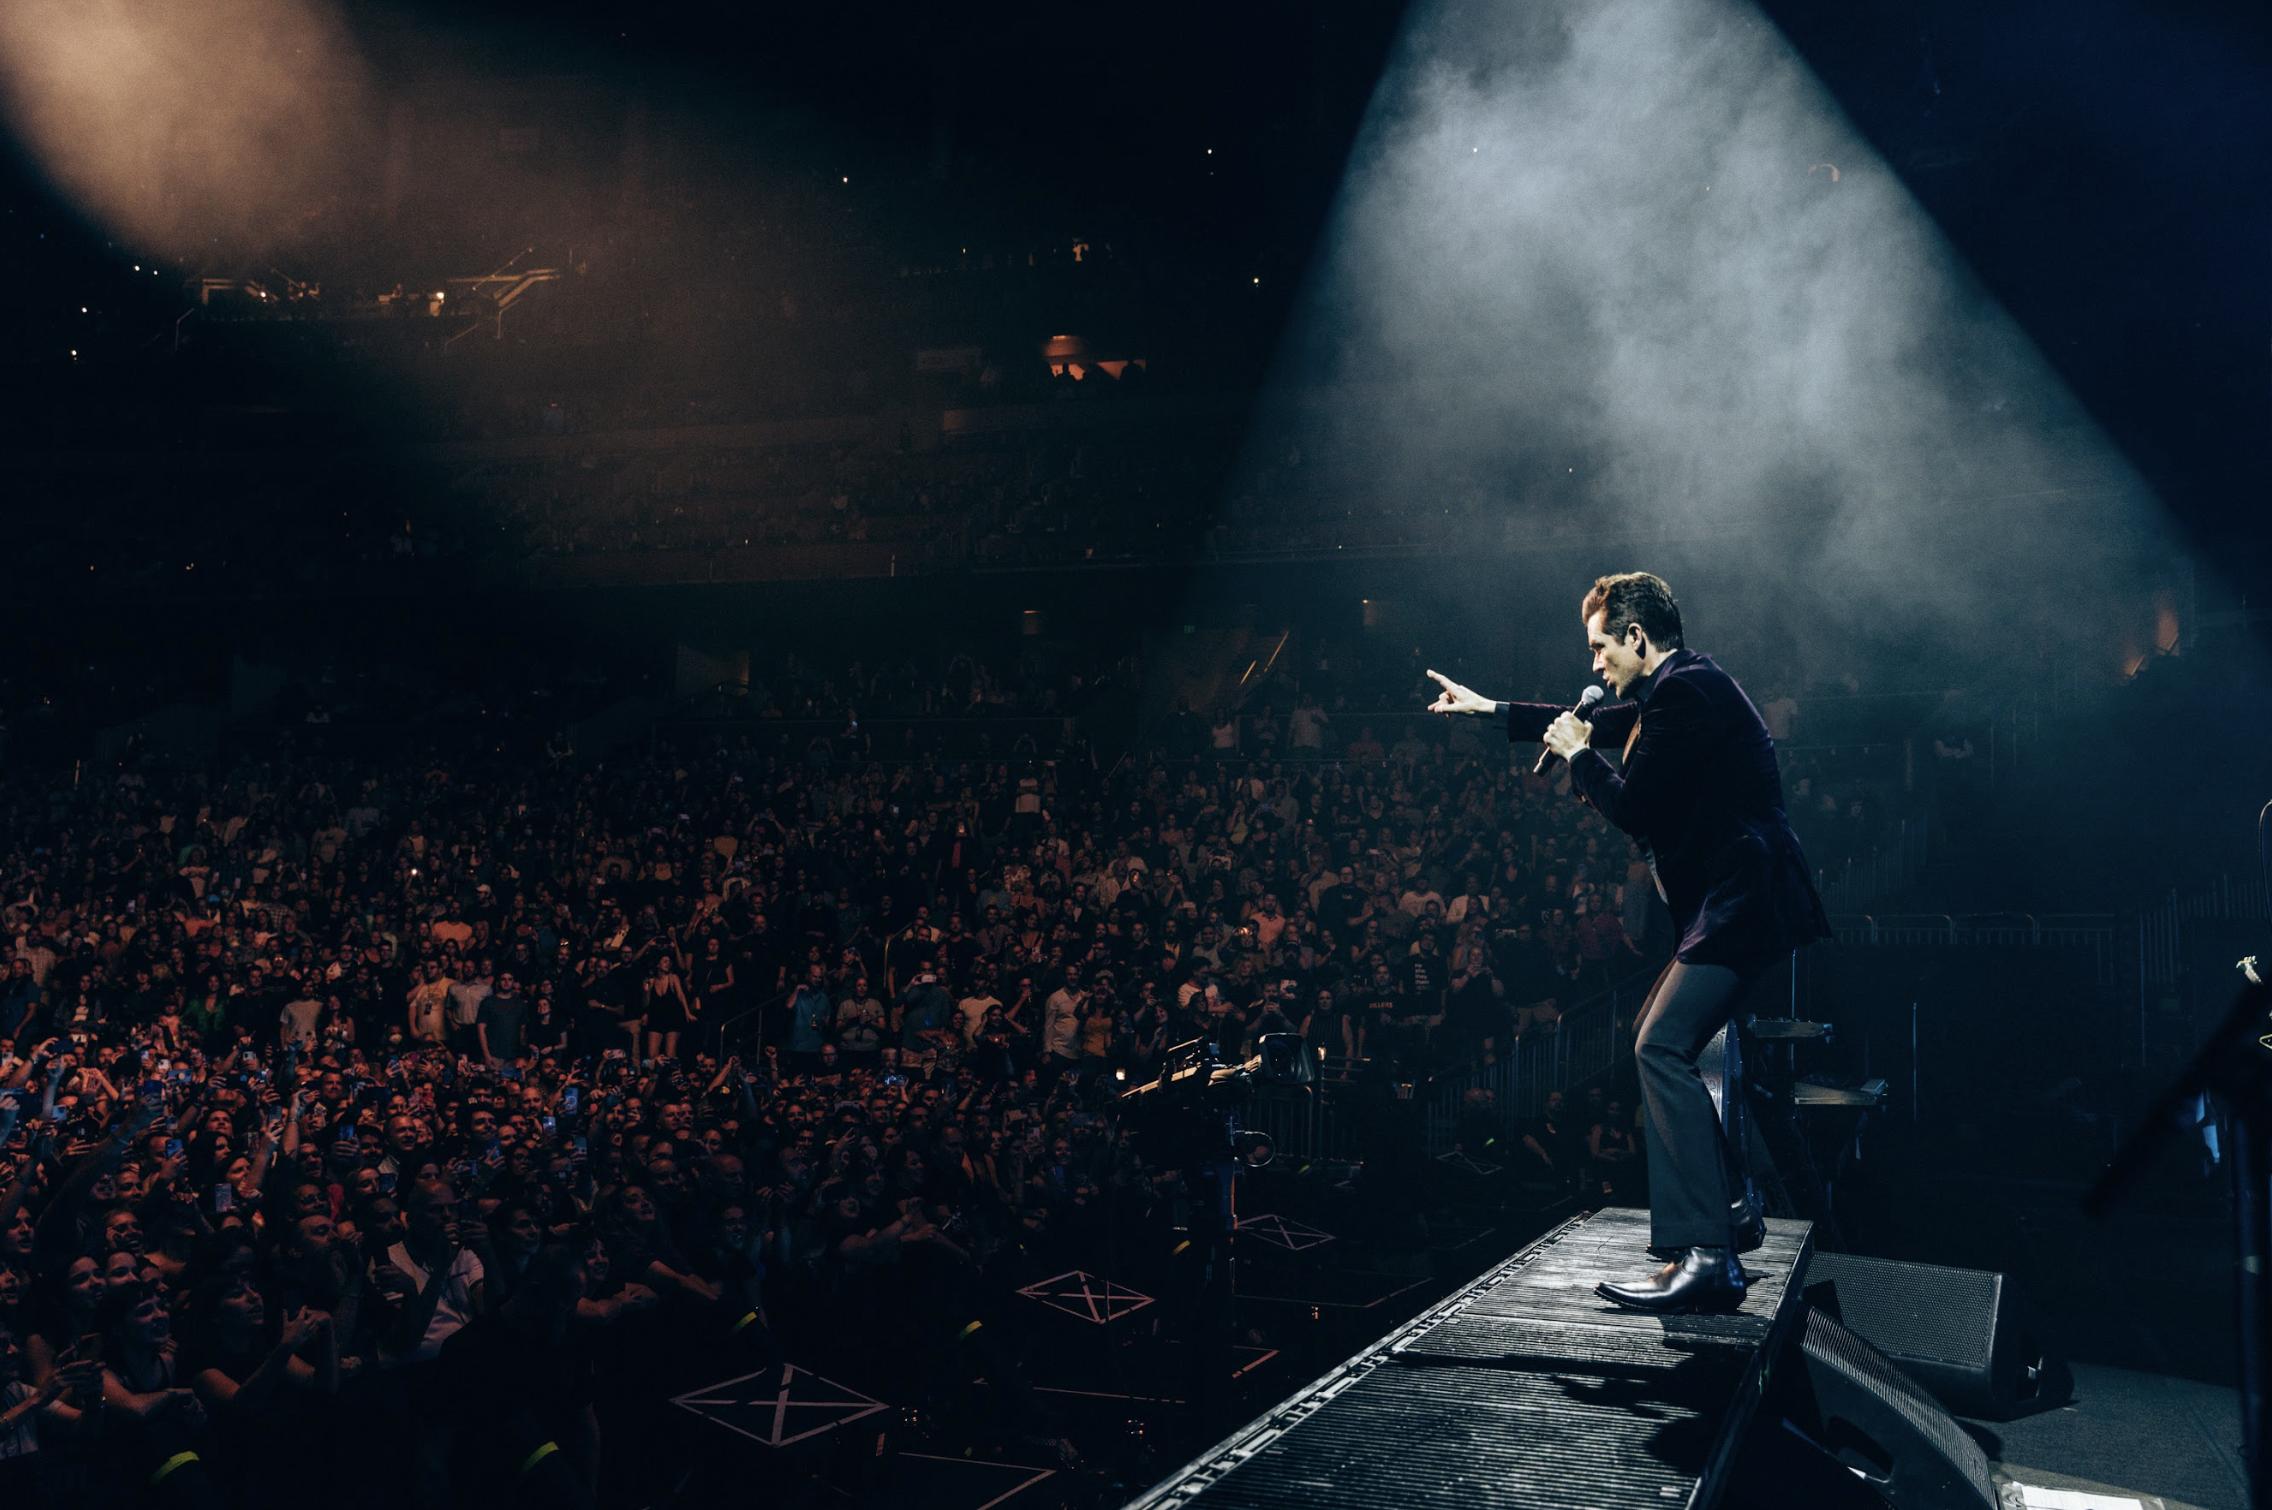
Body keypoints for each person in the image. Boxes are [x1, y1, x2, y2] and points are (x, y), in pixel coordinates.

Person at [1426, 570, 1829, 1314]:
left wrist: (1580, 758)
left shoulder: (1687, 694)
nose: (1592, 664)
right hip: (1735, 904)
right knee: (1656, 1034)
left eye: (1599, 645)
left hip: (1747, 903)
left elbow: (1633, 802)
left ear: (1636, 637)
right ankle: (1732, 1207)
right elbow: (1598, 725)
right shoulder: (1675, 692)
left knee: (1659, 1047)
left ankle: (1708, 1254)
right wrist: (1492, 709)